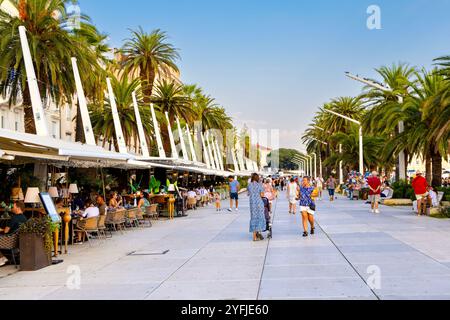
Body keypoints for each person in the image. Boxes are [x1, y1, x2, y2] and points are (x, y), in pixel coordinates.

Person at [0, 201, 27, 267]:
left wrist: (1, 229)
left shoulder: (14, 218)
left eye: (13, 207)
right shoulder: (24, 218)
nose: (12, 208)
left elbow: (6, 231)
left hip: (8, 240)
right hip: (17, 240)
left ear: (18, 208)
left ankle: (2, 258)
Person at [248, 173, 266, 242]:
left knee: (253, 218)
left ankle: (254, 236)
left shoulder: (249, 185)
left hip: (252, 204)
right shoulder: (259, 185)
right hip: (259, 203)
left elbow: (248, 193)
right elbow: (262, 195)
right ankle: (259, 232)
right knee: (260, 217)